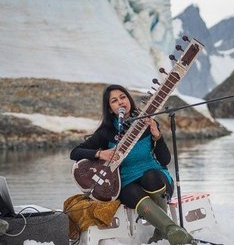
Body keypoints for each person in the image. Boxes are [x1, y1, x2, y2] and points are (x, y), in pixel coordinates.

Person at [70, 84, 193, 245]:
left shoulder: (147, 122)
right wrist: (101, 153)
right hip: (126, 183)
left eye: (123, 97)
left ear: (129, 99)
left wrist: (158, 137)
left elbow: (165, 160)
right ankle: (171, 231)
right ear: (109, 108)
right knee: (131, 192)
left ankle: (164, 231)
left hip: (158, 180)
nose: (120, 102)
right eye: (114, 100)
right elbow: (75, 153)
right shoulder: (106, 132)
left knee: (150, 175)